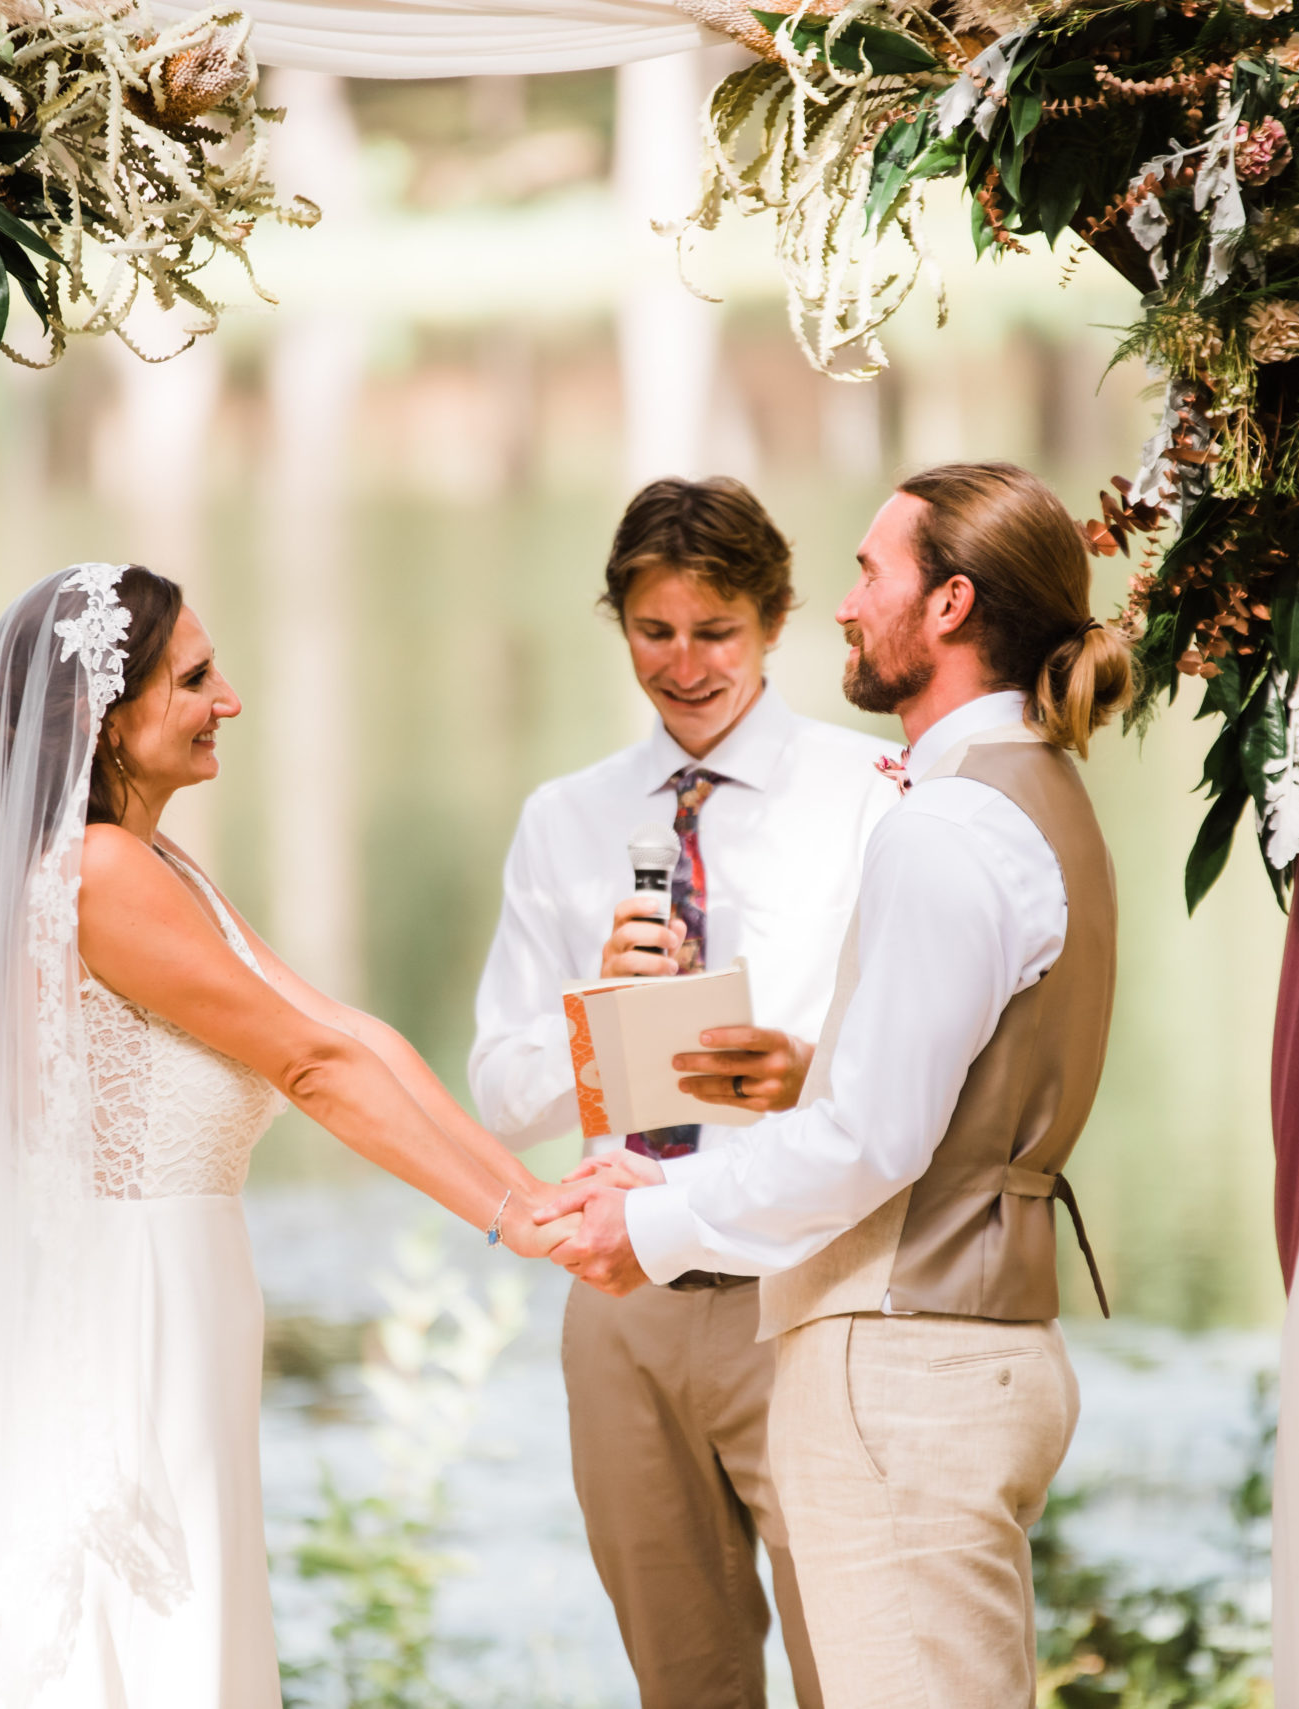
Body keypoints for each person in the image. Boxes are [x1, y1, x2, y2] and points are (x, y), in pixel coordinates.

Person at [0, 563, 566, 1708]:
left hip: (185, 1312)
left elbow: (352, 1032)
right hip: (128, 1319)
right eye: (192, 677)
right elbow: (312, 1064)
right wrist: (511, 1219)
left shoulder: (159, 863)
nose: (228, 697)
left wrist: (530, 1191)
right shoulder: (95, 874)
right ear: (105, 719)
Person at [537, 462, 1134, 1709]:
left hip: (900, 1370)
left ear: (951, 604)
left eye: (872, 573)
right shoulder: (1038, 796)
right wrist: (702, 1145)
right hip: (981, 1346)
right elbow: (918, 1104)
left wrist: (645, 1222)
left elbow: (874, 1139)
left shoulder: (941, 823)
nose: (849, 607)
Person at [469, 477, 898, 1709]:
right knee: (685, 1680)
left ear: (773, 621)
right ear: (620, 626)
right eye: (655, 632)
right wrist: (592, 1015)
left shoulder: (875, 792)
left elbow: (915, 1059)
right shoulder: (565, 820)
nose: (685, 664)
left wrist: (800, 1066)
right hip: (626, 1304)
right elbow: (503, 1091)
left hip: (807, 1287)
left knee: (855, 1669)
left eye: (714, 631)